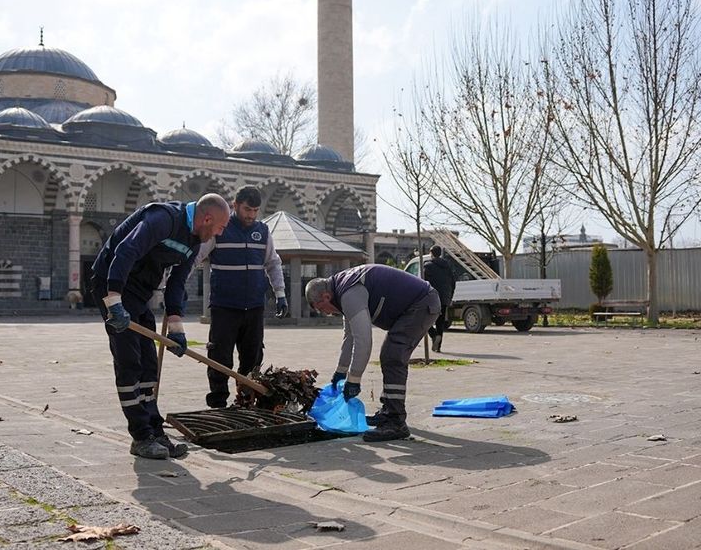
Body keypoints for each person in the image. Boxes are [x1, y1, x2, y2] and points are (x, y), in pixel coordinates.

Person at [91, 193, 231, 459]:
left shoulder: (195, 240)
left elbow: (177, 282)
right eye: (221, 227)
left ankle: (155, 430)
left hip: (141, 291)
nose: (221, 233)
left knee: (149, 363)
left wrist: (177, 329)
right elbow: (126, 250)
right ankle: (141, 436)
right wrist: (113, 300)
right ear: (207, 218)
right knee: (129, 360)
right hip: (112, 282)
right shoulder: (164, 218)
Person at [305, 264, 440, 442]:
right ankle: (389, 412)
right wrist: (341, 372)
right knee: (391, 354)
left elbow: (363, 339)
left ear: (325, 297)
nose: (326, 313)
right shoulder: (343, 290)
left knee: (392, 356)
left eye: (321, 309)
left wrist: (354, 380)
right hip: (416, 304)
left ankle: (396, 421)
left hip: (422, 303)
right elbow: (350, 337)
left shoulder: (349, 293)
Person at [194, 186, 288, 408]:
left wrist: (280, 293)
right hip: (224, 306)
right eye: (247, 209)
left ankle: (246, 399)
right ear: (235, 205)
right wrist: (174, 286)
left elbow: (273, 263)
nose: (251, 215)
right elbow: (196, 256)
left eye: (255, 210)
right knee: (219, 356)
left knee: (253, 357)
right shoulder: (220, 229)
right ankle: (217, 402)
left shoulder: (263, 232)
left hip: (254, 306)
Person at [423, 245, 456, 353]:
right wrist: (450, 296)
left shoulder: (427, 266)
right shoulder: (447, 266)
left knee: (424, 320)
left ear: (431, 253)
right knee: (440, 322)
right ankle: (438, 347)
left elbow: (424, 284)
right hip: (445, 297)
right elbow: (453, 282)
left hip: (432, 297)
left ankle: (433, 335)